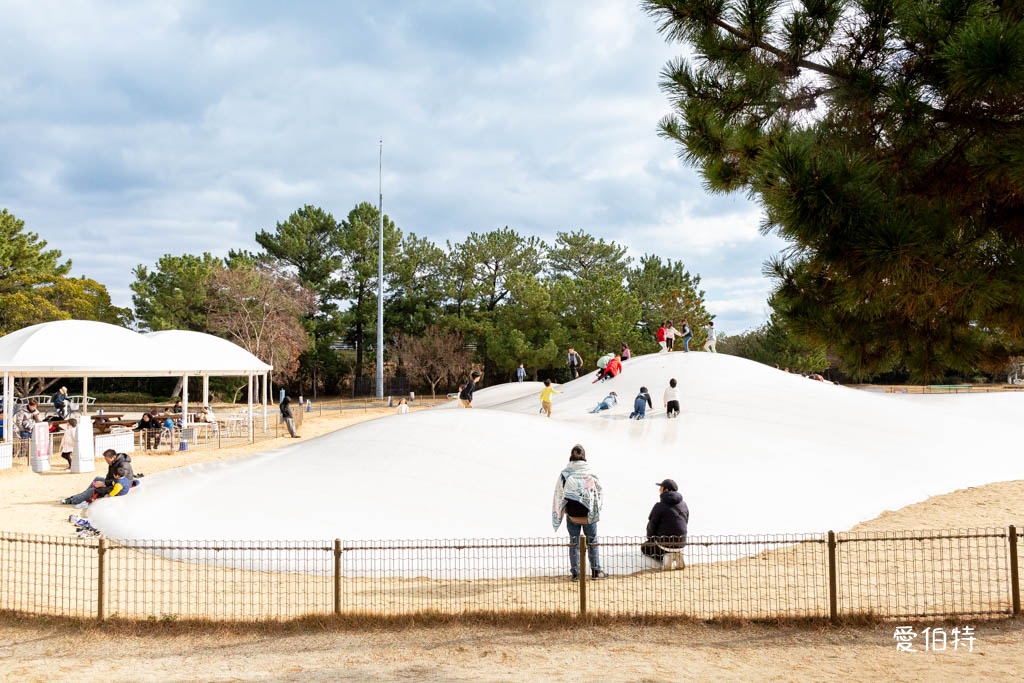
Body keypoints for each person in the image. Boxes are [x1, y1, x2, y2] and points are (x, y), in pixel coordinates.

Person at [551, 444, 606, 580]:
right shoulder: (590, 473)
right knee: (592, 542)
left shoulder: (565, 474)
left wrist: (561, 513)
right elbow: (600, 493)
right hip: (589, 516)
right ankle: (596, 571)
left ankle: (576, 573)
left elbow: (558, 495)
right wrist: (596, 510)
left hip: (572, 516)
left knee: (574, 543)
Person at [60, 449, 137, 507]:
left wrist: (104, 484)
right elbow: (110, 475)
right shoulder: (113, 462)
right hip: (114, 482)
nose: (106, 461)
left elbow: (121, 480)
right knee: (97, 479)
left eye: (107, 459)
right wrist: (104, 482)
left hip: (120, 487)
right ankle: (84, 496)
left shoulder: (123, 465)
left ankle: (73, 500)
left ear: (113, 457)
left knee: (93, 490)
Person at [641, 479, 689, 563]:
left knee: (645, 547)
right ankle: (677, 555)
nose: (659, 490)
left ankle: (666, 557)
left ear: (666, 490)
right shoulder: (684, 504)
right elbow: (686, 521)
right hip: (681, 544)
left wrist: (651, 540)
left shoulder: (659, 506)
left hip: (665, 545)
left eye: (661, 487)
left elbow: (652, 526)